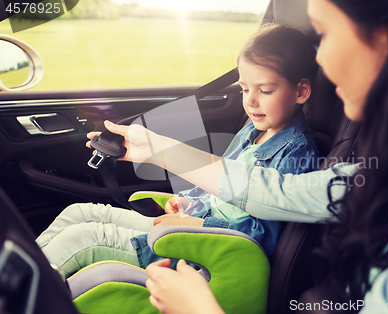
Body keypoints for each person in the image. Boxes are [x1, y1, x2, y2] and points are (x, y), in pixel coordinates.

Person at [94, 0, 388, 313]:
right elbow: (280, 191)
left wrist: (200, 308)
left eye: (323, 34)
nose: (320, 58)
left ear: (387, 36)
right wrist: (158, 150)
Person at [35, 24, 321, 276]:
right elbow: (218, 184)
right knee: (79, 213)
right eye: (245, 89)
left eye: (265, 90)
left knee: (82, 239)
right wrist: (186, 203)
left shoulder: (295, 154)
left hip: (207, 249)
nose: (251, 102)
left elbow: (262, 236)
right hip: (193, 224)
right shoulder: (254, 130)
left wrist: (194, 223)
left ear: (301, 92)